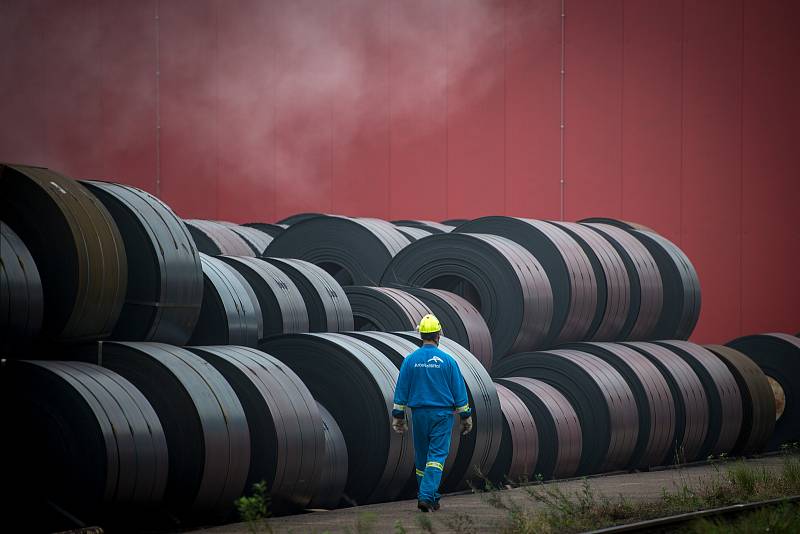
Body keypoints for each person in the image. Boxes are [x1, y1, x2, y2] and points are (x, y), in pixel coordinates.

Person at [391, 313, 473, 512]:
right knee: (436, 456)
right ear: (438, 335)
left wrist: (398, 416)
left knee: (421, 458)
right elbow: (459, 391)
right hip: (442, 416)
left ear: (421, 335)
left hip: (419, 415)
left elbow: (401, 389)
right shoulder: (448, 361)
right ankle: (426, 496)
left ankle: (432, 497)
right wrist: (465, 416)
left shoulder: (410, 360)